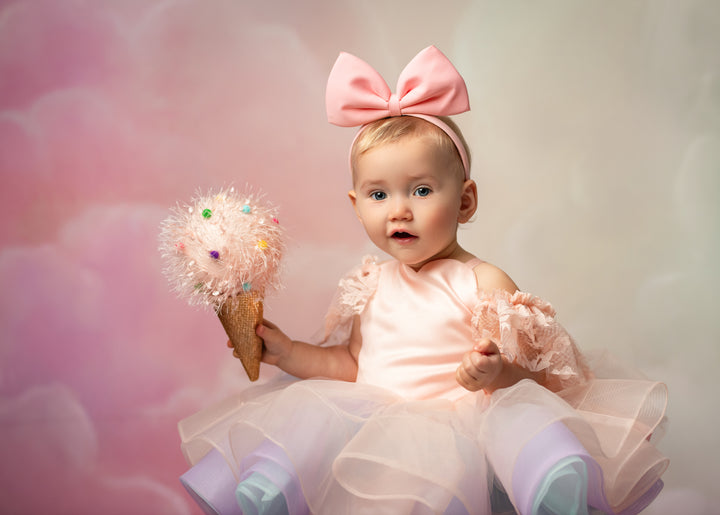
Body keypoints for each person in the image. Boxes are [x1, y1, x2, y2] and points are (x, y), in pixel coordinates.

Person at [178, 46, 668, 515]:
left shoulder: (481, 280)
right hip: (365, 435)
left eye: (422, 189)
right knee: (304, 433)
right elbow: (352, 365)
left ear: (465, 200)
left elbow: (538, 378)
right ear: (356, 205)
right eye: (378, 195)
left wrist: (498, 373)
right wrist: (287, 353)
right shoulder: (369, 282)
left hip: (456, 438)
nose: (400, 209)